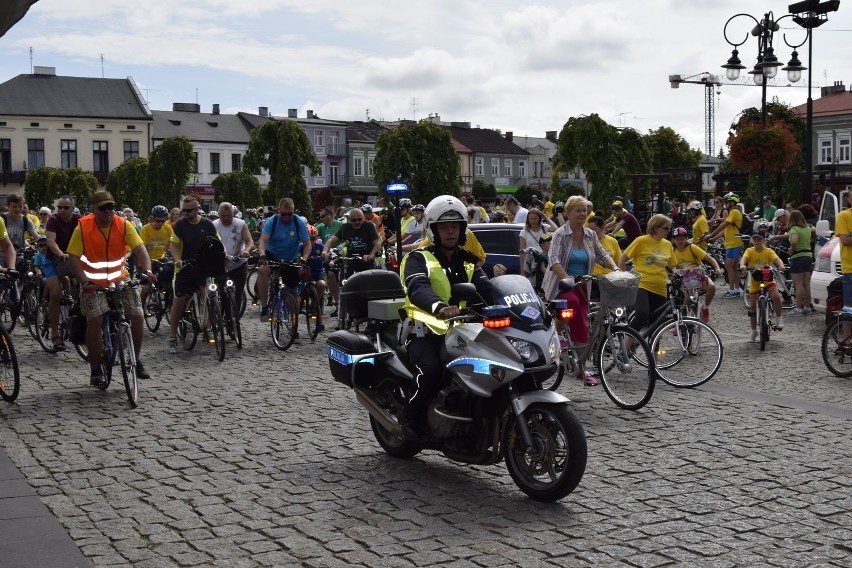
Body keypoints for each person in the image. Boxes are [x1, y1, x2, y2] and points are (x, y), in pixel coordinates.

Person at [398, 195, 493, 439]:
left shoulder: (469, 263)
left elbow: (488, 291)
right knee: (430, 371)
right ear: (433, 229)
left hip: (462, 333)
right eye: (444, 226)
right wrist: (440, 306)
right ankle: (409, 417)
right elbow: (418, 287)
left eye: (455, 226)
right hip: (424, 333)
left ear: (463, 230)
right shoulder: (418, 259)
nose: (450, 231)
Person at [67, 191, 156, 385]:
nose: (108, 211)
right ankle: (95, 368)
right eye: (103, 208)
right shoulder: (83, 227)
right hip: (93, 283)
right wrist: (84, 282)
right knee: (95, 320)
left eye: (111, 207)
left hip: (120, 279)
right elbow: (73, 258)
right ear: (93, 210)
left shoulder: (124, 224)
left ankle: (137, 359)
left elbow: (141, 250)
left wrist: (147, 271)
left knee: (137, 315)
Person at [543, 196, 618, 386]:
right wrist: (567, 279)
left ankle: (581, 369)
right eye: (578, 210)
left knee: (583, 329)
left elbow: (603, 255)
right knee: (572, 303)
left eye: (584, 210)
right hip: (562, 285)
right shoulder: (560, 234)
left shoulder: (590, 235)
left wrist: (615, 268)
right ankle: (556, 335)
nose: (582, 214)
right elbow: (554, 261)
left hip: (583, 286)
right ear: (568, 213)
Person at [167, 196, 222, 354]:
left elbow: (217, 242)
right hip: (184, 268)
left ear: (197, 209)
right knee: (179, 300)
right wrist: (177, 260)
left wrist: (222, 254)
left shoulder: (207, 224)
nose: (185, 213)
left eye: (189, 210)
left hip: (203, 265)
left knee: (206, 294)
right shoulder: (180, 225)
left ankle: (208, 327)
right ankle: (172, 337)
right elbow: (174, 245)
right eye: (184, 210)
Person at [619, 214, 678, 333]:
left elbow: (672, 265)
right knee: (642, 314)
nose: (669, 231)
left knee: (657, 321)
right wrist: (622, 276)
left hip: (660, 286)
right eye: (666, 228)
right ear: (655, 228)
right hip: (642, 283)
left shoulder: (667, 244)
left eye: (669, 228)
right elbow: (623, 259)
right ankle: (626, 346)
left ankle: (653, 351)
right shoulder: (641, 241)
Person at [256, 198, 311, 323]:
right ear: (278, 211)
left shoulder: (298, 222)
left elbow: (307, 244)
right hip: (272, 255)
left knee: (292, 293)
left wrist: (304, 259)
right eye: (283, 214)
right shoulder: (272, 221)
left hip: (290, 258)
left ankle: (294, 324)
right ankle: (264, 307)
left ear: (293, 211)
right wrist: (263, 255)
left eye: (289, 214)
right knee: (262, 270)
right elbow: (263, 240)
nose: (286, 217)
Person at [44, 195, 81, 351]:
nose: (62, 210)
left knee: (87, 286)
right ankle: (54, 334)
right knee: (56, 294)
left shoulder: (79, 220)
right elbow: (50, 241)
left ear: (73, 209)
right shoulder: (53, 220)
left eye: (66, 207)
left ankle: (78, 321)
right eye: (59, 207)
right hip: (53, 260)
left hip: (72, 258)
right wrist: (60, 253)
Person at [739, 231, 786, 341]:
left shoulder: (768, 251)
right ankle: (754, 331)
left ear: (764, 241)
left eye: (759, 239)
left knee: (776, 297)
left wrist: (781, 266)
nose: (756, 242)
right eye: (754, 239)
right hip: (755, 281)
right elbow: (744, 259)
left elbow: (777, 260)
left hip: (768, 279)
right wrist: (742, 265)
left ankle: (779, 318)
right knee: (753, 307)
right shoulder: (749, 251)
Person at [213, 202, 254, 319]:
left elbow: (249, 241)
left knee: (237, 294)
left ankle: (234, 319)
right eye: (223, 216)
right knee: (222, 293)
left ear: (233, 214)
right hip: (221, 264)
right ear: (219, 215)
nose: (226, 218)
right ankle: (222, 316)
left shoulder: (240, 224)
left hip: (239, 263)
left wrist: (246, 250)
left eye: (229, 215)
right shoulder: (214, 225)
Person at [321, 206, 382, 285]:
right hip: (350, 262)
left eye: (359, 219)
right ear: (349, 220)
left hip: (366, 262)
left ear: (363, 218)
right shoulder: (345, 227)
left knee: (368, 285)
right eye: (354, 220)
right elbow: (330, 241)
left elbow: (378, 243)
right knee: (344, 283)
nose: (357, 222)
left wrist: (371, 255)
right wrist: (324, 251)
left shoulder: (369, 226)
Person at [671, 226, 721, 322]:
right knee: (685, 296)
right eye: (677, 239)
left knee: (711, 287)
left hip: (696, 274)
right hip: (682, 277)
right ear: (673, 240)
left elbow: (710, 259)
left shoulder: (692, 248)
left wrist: (718, 268)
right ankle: (681, 318)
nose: (680, 241)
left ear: (686, 239)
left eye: (682, 239)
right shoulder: (672, 251)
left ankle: (705, 307)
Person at [701, 192, 744, 298]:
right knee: (733, 267)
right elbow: (725, 230)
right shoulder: (732, 212)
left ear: (733, 202)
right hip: (731, 243)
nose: (725, 204)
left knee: (728, 266)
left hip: (734, 243)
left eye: (727, 202)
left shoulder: (734, 211)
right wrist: (712, 238)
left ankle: (733, 291)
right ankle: (736, 290)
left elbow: (723, 225)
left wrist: (710, 234)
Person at [139, 205, 174, 311]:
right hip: (149, 261)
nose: (160, 224)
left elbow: (172, 243)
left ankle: (168, 302)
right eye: (158, 221)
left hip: (163, 260)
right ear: (153, 218)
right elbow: (142, 247)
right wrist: (142, 264)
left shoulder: (167, 228)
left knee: (170, 280)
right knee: (146, 289)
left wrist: (170, 253)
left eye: (162, 221)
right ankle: (141, 308)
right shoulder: (146, 229)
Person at [785, 210, 814, 315]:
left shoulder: (794, 229)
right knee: (806, 284)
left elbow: (794, 241)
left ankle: (798, 308)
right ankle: (807, 306)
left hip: (797, 256)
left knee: (798, 284)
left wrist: (792, 249)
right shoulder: (807, 228)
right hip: (808, 256)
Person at [587, 215, 621, 302]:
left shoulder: (612, 241)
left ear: (602, 227)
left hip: (610, 279)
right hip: (593, 278)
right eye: (589, 230)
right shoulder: (587, 242)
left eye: (593, 230)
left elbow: (619, 261)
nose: (591, 233)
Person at [518, 208, 556, 284]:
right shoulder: (524, 232)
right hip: (531, 261)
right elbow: (522, 252)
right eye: (531, 219)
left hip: (544, 260)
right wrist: (522, 271)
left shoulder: (544, 228)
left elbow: (555, 228)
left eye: (535, 218)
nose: (533, 221)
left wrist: (546, 218)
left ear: (539, 219)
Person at [2, 193, 38, 271]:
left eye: (20, 206)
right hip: (2, 254)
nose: (18, 209)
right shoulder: (3, 219)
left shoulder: (25, 220)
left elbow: (36, 237)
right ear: (8, 206)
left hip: (19, 254)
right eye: (14, 206)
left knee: (25, 275)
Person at [305, 225, 326, 332]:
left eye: (313, 239)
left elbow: (327, 254)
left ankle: (314, 304)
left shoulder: (320, 247)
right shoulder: (301, 247)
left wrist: (328, 258)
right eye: (309, 239)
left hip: (319, 273)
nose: (311, 241)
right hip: (307, 274)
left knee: (321, 285)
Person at [835, 191, 852, 314]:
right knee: (849, 309)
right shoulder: (844, 216)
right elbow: (845, 240)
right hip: (850, 268)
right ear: (849, 200)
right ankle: (846, 334)